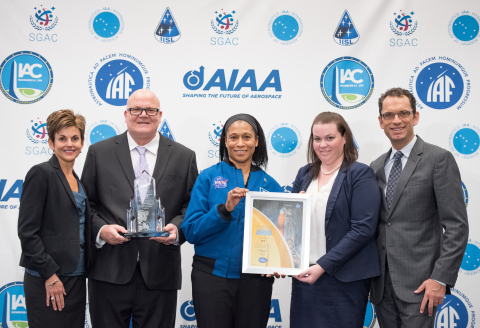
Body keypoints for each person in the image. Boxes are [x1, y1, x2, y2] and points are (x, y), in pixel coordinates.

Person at [81, 89, 198, 328]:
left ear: (159, 115)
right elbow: (86, 204)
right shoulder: (99, 153)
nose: (143, 115)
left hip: (160, 271)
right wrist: (101, 230)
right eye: (136, 109)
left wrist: (177, 230)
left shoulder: (183, 156)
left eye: (150, 110)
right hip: (108, 271)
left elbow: (192, 206)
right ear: (125, 114)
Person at [370, 87, 469, 327]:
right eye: (389, 115)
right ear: (380, 121)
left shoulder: (438, 159)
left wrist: (440, 279)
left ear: (415, 117)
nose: (396, 120)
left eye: (403, 113)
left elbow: (456, 227)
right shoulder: (375, 166)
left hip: (422, 285)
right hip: (382, 286)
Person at [181, 114, 284, 328]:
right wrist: (224, 210)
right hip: (211, 278)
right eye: (233, 137)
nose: (240, 143)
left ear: (257, 141)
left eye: (246, 137)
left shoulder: (271, 185)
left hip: (256, 282)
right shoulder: (208, 178)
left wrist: (281, 260)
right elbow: (191, 231)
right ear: (225, 141)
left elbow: (280, 237)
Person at [290, 112, 381, 328]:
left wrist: (322, 266)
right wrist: (282, 262)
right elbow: (290, 225)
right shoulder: (304, 174)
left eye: (330, 138)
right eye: (317, 138)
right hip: (305, 277)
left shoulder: (360, 174)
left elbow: (363, 229)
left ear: (345, 138)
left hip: (344, 280)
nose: (323, 145)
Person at [18, 110, 92, 328]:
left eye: (74, 138)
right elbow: (27, 232)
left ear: (82, 142)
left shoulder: (78, 180)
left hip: (76, 277)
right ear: (51, 143)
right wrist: (50, 276)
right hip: (48, 278)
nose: (69, 144)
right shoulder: (41, 173)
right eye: (62, 139)